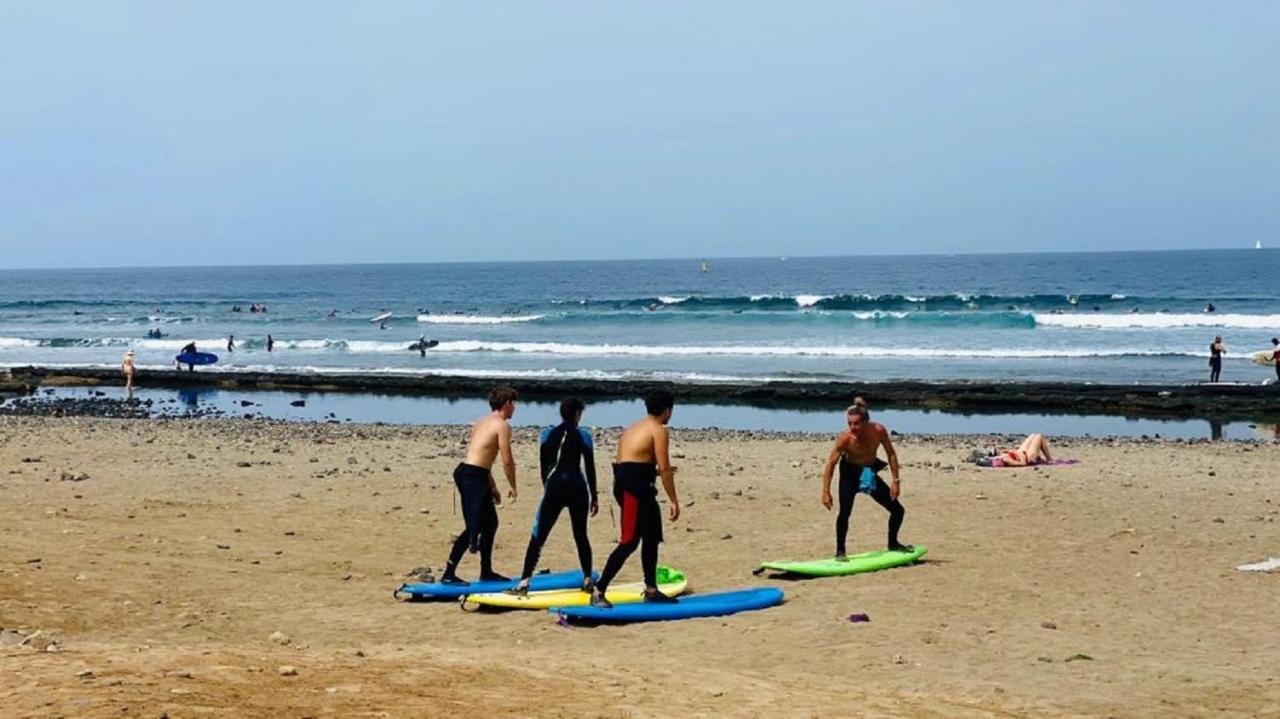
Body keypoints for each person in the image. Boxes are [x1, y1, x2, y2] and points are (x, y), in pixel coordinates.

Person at [590, 390, 681, 608]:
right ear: (667, 410)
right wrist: (673, 500)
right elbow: (664, 467)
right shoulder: (658, 430)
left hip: (635, 484)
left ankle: (651, 589)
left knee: (651, 537)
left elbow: (634, 462)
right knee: (629, 541)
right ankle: (598, 590)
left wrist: (654, 474)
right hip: (633, 489)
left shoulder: (634, 427)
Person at [507, 397, 599, 596]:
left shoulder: (547, 434)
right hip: (577, 487)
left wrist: (547, 487)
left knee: (539, 535)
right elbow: (590, 469)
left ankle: (524, 582)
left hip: (555, 487)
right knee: (580, 534)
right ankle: (587, 579)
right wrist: (595, 497)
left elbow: (544, 466)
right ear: (577, 414)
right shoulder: (584, 436)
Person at [439, 387, 520, 585]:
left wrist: (491, 485)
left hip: (474, 474)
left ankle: (486, 571)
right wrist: (513, 486)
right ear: (507, 403)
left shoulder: (481, 422)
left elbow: (483, 457)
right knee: (473, 528)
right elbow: (506, 460)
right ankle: (448, 573)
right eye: (514, 403)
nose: (515, 408)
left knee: (490, 523)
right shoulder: (502, 426)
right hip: (472, 477)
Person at [821, 397, 912, 560]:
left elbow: (891, 453)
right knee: (844, 513)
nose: (852, 427)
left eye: (856, 423)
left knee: (898, 510)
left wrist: (895, 481)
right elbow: (831, 464)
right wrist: (826, 492)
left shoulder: (878, 431)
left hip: (868, 473)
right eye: (849, 423)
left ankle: (893, 543)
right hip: (849, 474)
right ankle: (840, 552)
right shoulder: (845, 439)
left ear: (866, 421)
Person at [983, 433, 1053, 467]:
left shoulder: (1002, 455)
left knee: (1032, 435)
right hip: (1028, 457)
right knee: (1039, 436)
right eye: (995, 449)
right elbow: (1022, 464)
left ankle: (1048, 459)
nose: (996, 447)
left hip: (1021, 452)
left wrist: (1011, 452)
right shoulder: (1005, 459)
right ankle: (1050, 459)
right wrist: (1020, 457)